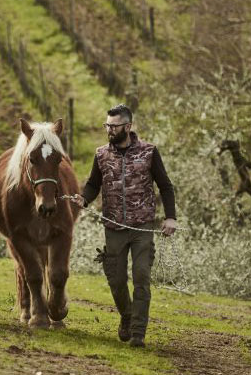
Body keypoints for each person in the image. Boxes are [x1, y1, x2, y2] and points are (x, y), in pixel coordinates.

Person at [70, 104, 177, 348]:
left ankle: (138, 333)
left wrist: (170, 217)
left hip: (142, 227)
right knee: (116, 280)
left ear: (127, 127)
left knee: (141, 276)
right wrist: (84, 198)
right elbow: (93, 184)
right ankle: (127, 316)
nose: (109, 130)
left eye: (114, 126)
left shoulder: (149, 152)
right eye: (107, 125)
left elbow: (165, 186)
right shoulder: (101, 154)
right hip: (113, 227)